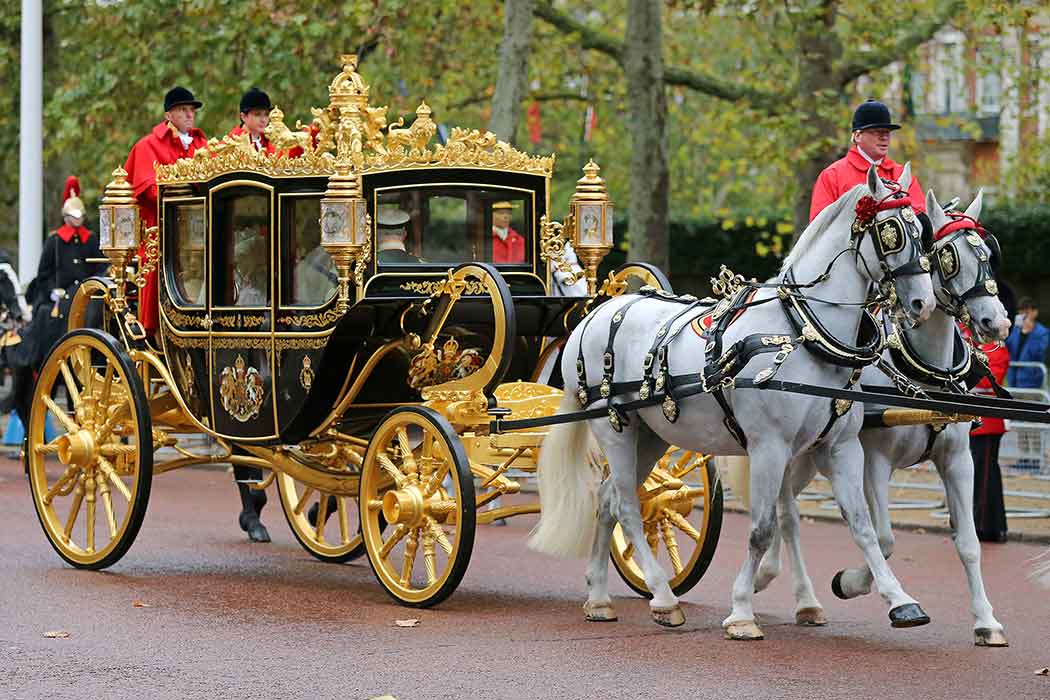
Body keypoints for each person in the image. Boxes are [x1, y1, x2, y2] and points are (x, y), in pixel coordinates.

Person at [124, 86, 208, 334]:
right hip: (160, 232)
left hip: (199, 229)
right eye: (183, 110)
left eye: (192, 110)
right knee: (155, 264)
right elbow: (149, 189)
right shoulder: (148, 145)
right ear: (169, 114)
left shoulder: (201, 145)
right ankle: (153, 330)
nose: (189, 115)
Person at [809, 99, 926, 222]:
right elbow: (819, 227)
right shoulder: (832, 176)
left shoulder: (902, 174)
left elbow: (920, 218)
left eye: (887, 132)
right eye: (877, 132)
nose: (884, 137)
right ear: (858, 136)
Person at [966, 326, 1010, 542]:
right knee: (979, 476)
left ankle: (984, 526)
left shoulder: (995, 348)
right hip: (972, 420)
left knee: (984, 477)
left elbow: (990, 381)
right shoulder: (970, 342)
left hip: (988, 423)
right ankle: (989, 525)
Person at [1005, 297, 1049, 389]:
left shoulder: (1043, 332)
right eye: (1021, 312)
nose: (1024, 315)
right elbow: (1007, 348)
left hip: (1032, 382)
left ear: (1035, 312)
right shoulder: (1015, 330)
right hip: (1012, 380)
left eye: (1027, 312)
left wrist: (1030, 333)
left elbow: (1038, 354)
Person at [228, 87, 276, 154]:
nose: (263, 120)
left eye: (266, 114)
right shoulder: (231, 144)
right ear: (243, 117)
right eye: (257, 114)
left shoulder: (271, 141)